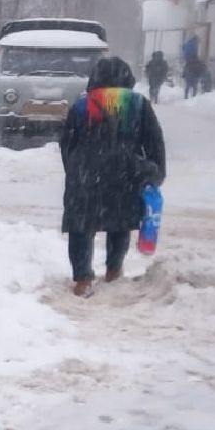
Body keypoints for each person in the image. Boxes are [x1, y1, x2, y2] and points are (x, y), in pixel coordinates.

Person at [59, 56, 166, 298]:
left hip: (86, 175)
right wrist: (156, 170)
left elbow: (67, 142)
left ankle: (83, 278)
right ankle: (114, 270)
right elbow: (154, 141)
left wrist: (75, 169)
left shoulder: (82, 105)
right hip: (124, 173)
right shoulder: (138, 104)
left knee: (81, 226)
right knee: (119, 223)